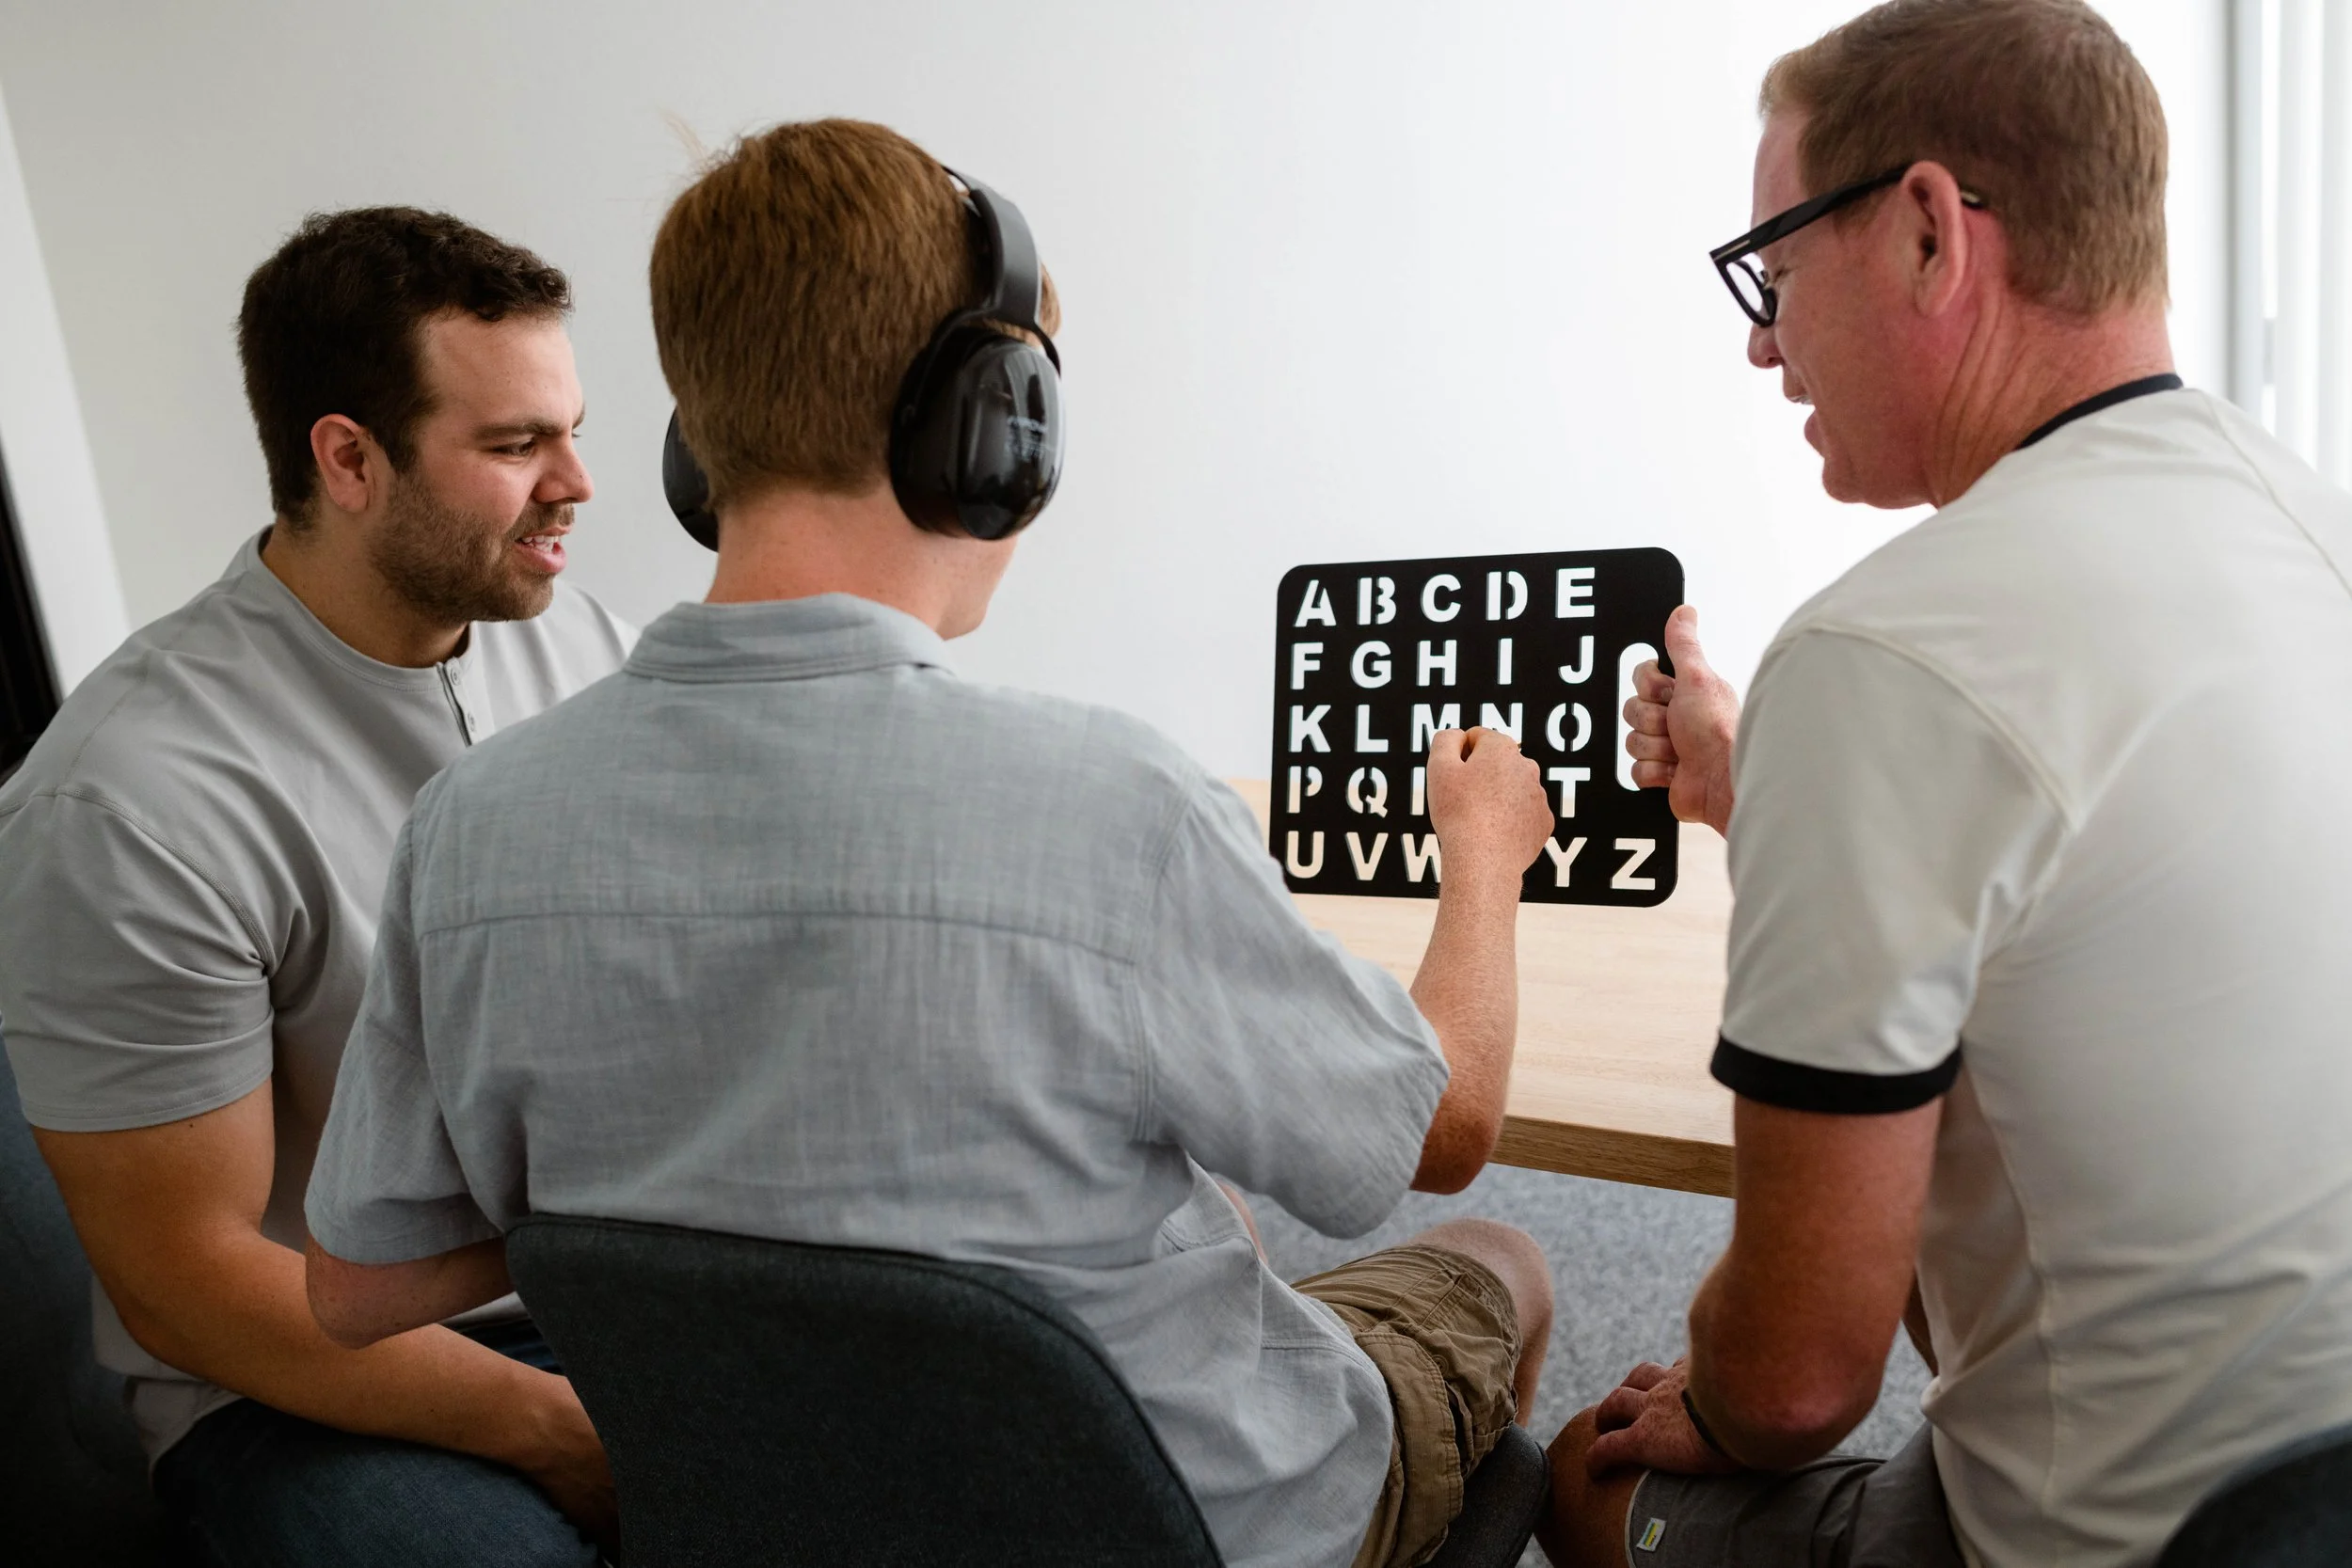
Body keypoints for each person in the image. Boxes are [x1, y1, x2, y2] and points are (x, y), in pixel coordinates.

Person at [301, 119, 1558, 1568]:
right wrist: (1484, 858)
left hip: (782, 1514)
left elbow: (354, 1285)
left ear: (696, 449)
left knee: (1199, 1206)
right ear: (997, 429)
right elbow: (1442, 1129)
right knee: (1503, 1259)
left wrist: (689, 1194)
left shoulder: (469, 826)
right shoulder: (1114, 804)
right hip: (1196, 1526)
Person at [1536, 3, 2352, 1566]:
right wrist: (1760, 797)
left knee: (1584, 1475)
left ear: (1925, 232)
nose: (1762, 341)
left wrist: (1709, 1387)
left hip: (2109, 1540)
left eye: (1771, 269)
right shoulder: (2315, 531)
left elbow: (1794, 1381)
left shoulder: (1884, 652)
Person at [0, 208, 632, 1566]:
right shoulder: (130, 800)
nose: (578, 481)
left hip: (607, 1292)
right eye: (518, 444)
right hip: (302, 1386)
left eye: (572, 427)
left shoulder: (578, 640)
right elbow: (191, 1284)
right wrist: (556, 1428)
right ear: (346, 457)